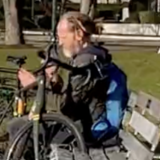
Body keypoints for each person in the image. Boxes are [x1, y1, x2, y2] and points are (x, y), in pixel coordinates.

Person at [15, 12, 128, 147]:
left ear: (78, 34)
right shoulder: (91, 58)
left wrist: (35, 86)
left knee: (17, 127)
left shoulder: (86, 64)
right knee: (22, 125)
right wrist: (55, 82)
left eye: (62, 37)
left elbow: (65, 107)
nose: (60, 42)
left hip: (83, 130)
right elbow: (77, 97)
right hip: (78, 124)